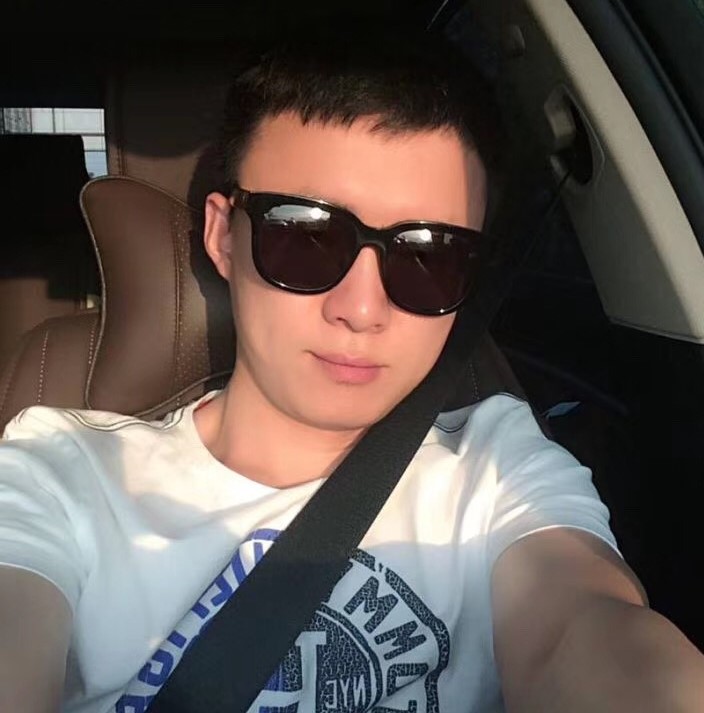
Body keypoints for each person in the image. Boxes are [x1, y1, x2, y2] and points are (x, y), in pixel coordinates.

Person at [1, 28, 703, 713]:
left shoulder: (497, 468)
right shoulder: (60, 473)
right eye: (304, 236)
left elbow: (583, 629)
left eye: (428, 256)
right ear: (222, 236)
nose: (361, 310)